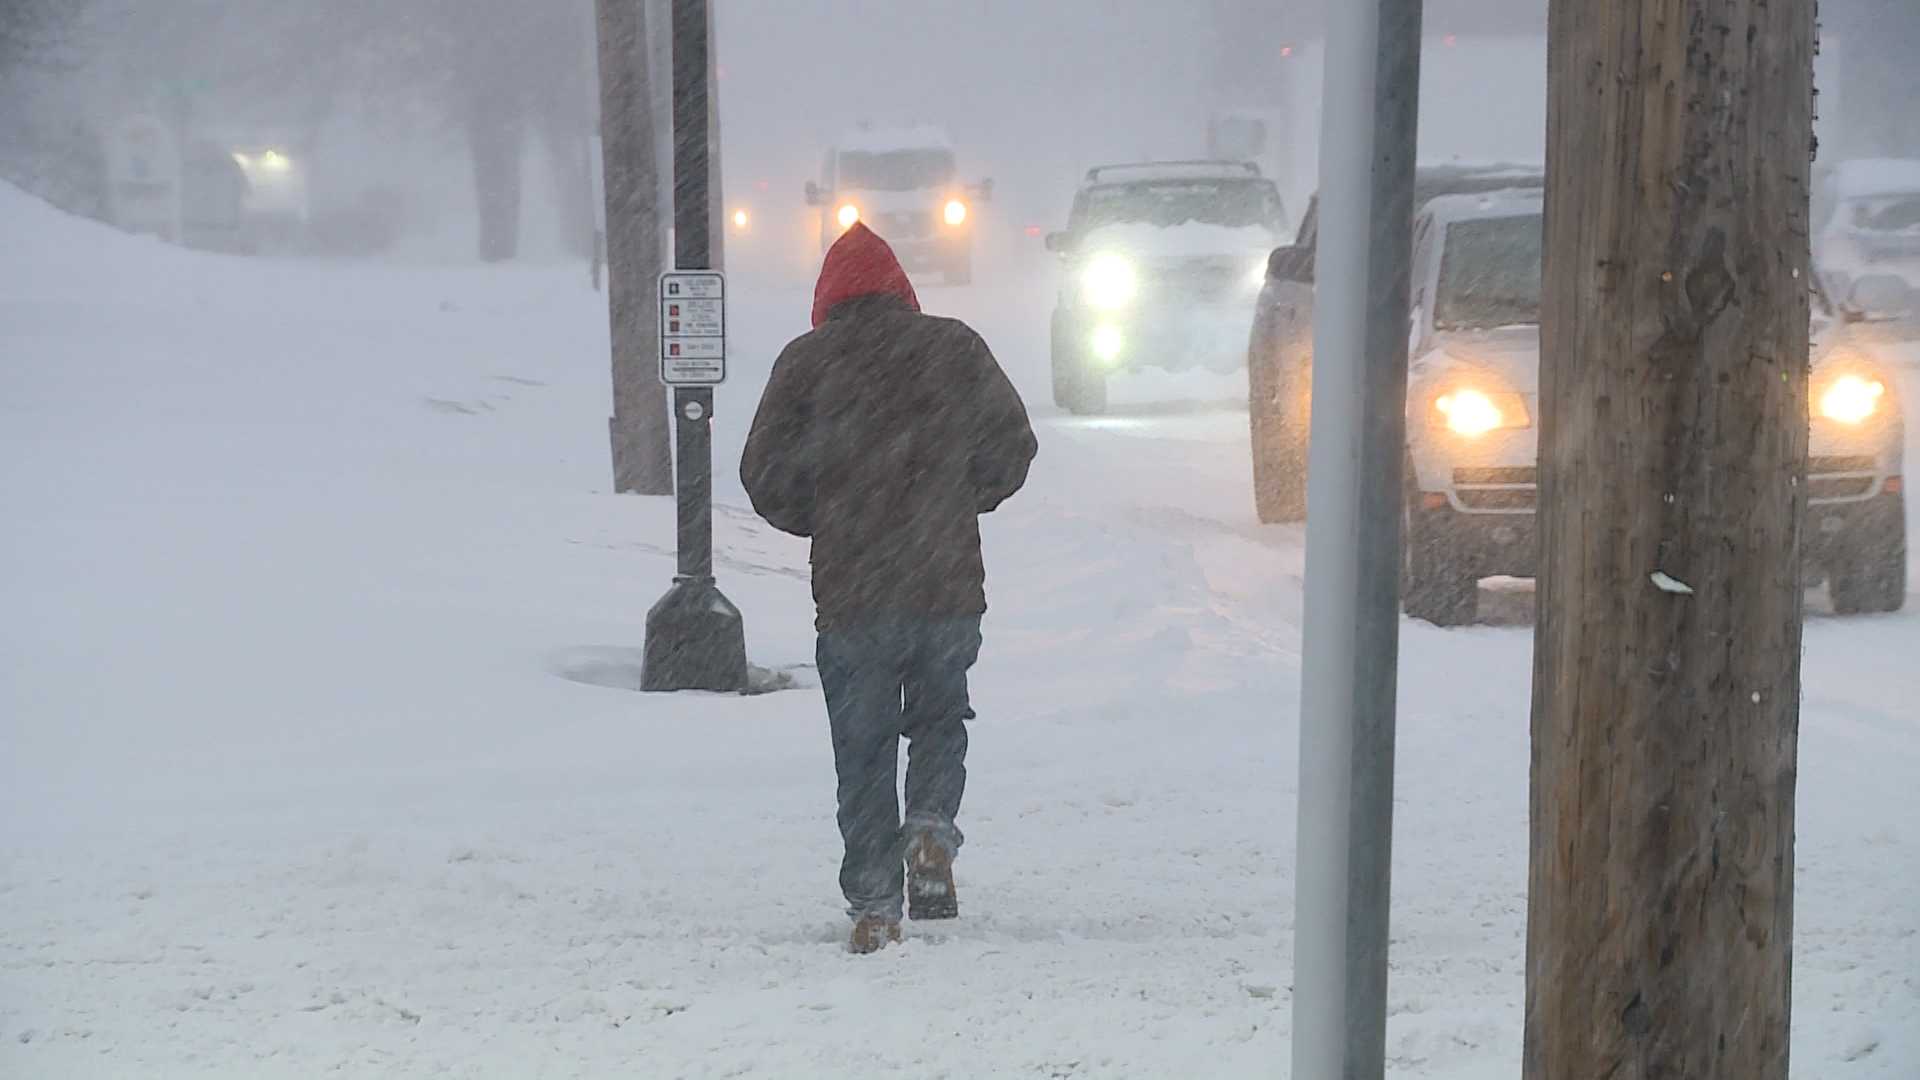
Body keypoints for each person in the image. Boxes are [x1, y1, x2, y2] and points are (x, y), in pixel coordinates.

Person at [741, 223, 1037, 954]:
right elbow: (1014, 446)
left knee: (864, 749)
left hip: (855, 596)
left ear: (826, 299)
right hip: (946, 585)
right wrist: (956, 498)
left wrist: (825, 518)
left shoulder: (806, 364)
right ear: (900, 288)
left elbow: (762, 474)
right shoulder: (955, 347)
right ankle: (931, 833)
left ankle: (876, 905)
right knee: (940, 720)